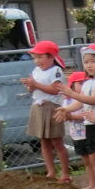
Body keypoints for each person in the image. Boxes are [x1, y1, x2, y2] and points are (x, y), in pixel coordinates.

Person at [57, 44, 95, 189]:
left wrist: (71, 93)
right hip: (90, 123)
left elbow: (93, 99)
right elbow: (82, 103)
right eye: (86, 62)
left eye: (93, 61)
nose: (89, 65)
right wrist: (66, 109)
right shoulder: (88, 82)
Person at [21, 40, 70, 180]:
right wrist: (30, 86)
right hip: (38, 105)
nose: (37, 61)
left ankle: (65, 173)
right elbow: (34, 89)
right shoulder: (36, 71)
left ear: (51, 57)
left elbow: (55, 90)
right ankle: (51, 171)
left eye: (40, 57)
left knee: (57, 142)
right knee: (44, 141)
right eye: (35, 57)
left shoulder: (56, 71)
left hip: (52, 106)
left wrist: (35, 84)